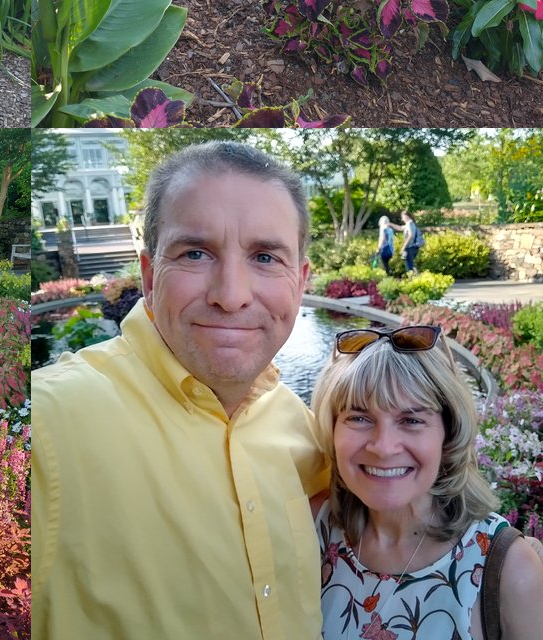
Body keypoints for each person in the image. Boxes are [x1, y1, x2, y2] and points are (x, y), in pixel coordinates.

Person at [31, 141, 330, 640]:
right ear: (150, 277)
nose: (231, 296)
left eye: (265, 257)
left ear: (299, 283)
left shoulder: (300, 427)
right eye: (195, 253)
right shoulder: (52, 423)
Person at [310, 325, 543, 640]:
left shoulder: (509, 569)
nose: (383, 446)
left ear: (448, 433)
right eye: (359, 418)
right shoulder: (313, 530)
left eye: (411, 420)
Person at [399, 210, 422, 275]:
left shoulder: (409, 223)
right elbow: (400, 228)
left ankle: (414, 281)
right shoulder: (412, 224)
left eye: (403, 217)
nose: (402, 219)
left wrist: (403, 247)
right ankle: (417, 278)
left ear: (407, 216)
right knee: (412, 265)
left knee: (409, 267)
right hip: (414, 247)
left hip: (409, 247)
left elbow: (410, 235)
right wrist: (389, 224)